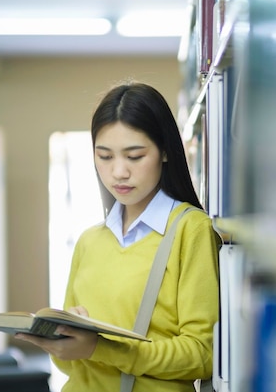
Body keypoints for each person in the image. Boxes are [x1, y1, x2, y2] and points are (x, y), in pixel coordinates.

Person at [15, 82, 220, 392]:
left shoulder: (190, 230)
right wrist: (64, 341)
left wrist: (99, 348)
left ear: (165, 151)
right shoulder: (89, 241)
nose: (118, 172)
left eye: (135, 156)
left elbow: (202, 355)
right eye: (105, 156)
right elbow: (68, 364)